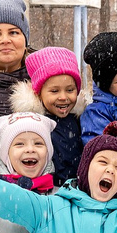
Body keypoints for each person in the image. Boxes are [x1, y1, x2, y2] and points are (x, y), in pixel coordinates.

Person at [22, 47, 88, 184]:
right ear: (38, 93)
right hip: (47, 192)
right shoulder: (31, 124)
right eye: (54, 91)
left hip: (78, 191)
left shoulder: (81, 120)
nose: (63, 97)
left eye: (70, 90)